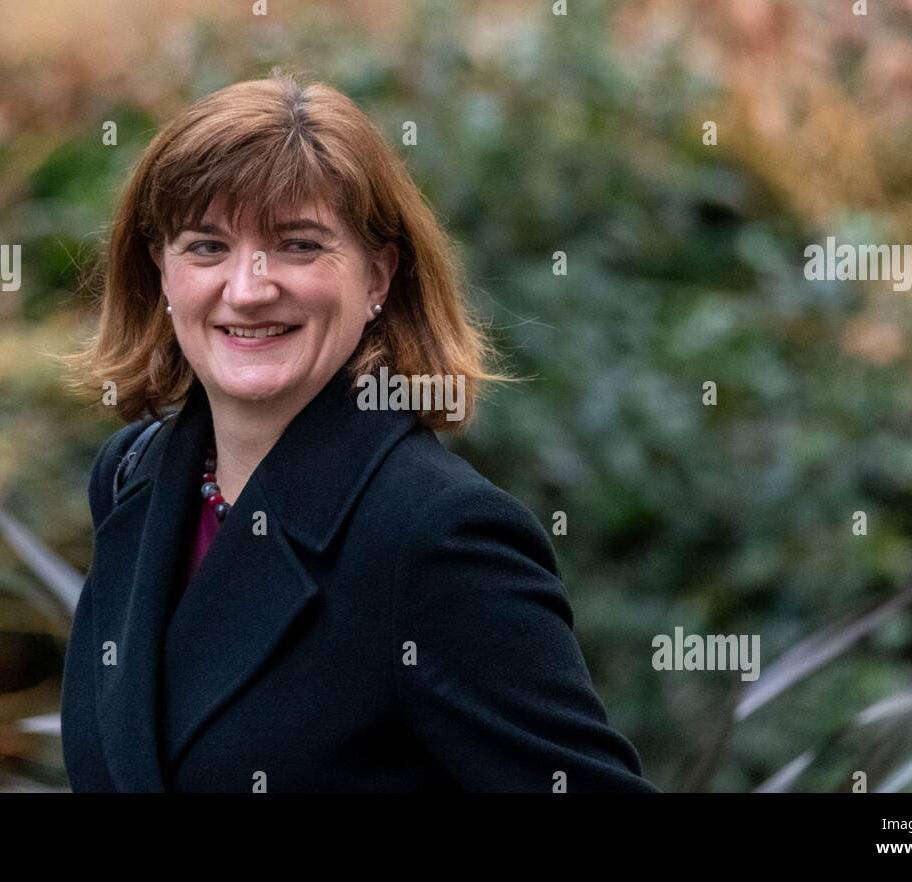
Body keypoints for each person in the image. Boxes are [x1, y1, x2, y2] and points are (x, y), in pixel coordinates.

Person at [60, 69, 658, 793]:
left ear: (378, 277)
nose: (247, 288)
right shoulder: (134, 477)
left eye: (299, 246)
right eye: (207, 246)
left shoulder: (438, 536)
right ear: (160, 269)